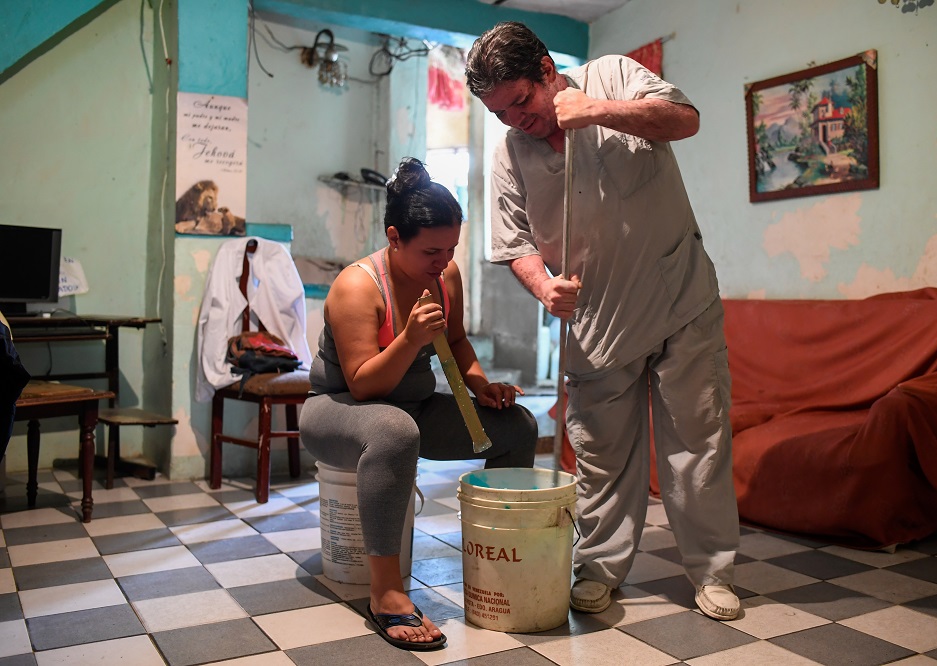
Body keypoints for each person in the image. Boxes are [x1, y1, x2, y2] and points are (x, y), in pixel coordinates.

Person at [465, 22, 741, 620]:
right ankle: (598, 569)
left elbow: (684, 119)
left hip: (678, 297)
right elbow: (513, 242)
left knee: (699, 440)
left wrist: (597, 112)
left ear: (545, 69)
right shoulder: (509, 153)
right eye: (499, 113)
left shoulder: (613, 76)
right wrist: (543, 285)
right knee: (599, 454)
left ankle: (713, 571)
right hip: (595, 319)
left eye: (521, 102)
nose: (516, 121)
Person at [299, 157, 537, 650]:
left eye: (451, 248)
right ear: (393, 237)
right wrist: (408, 340)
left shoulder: (445, 277)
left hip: (411, 406)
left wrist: (480, 386)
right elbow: (364, 386)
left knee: (518, 426)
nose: (443, 261)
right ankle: (386, 593)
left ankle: (497, 563)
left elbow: (458, 342)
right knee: (394, 431)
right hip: (336, 410)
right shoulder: (357, 287)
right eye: (431, 250)